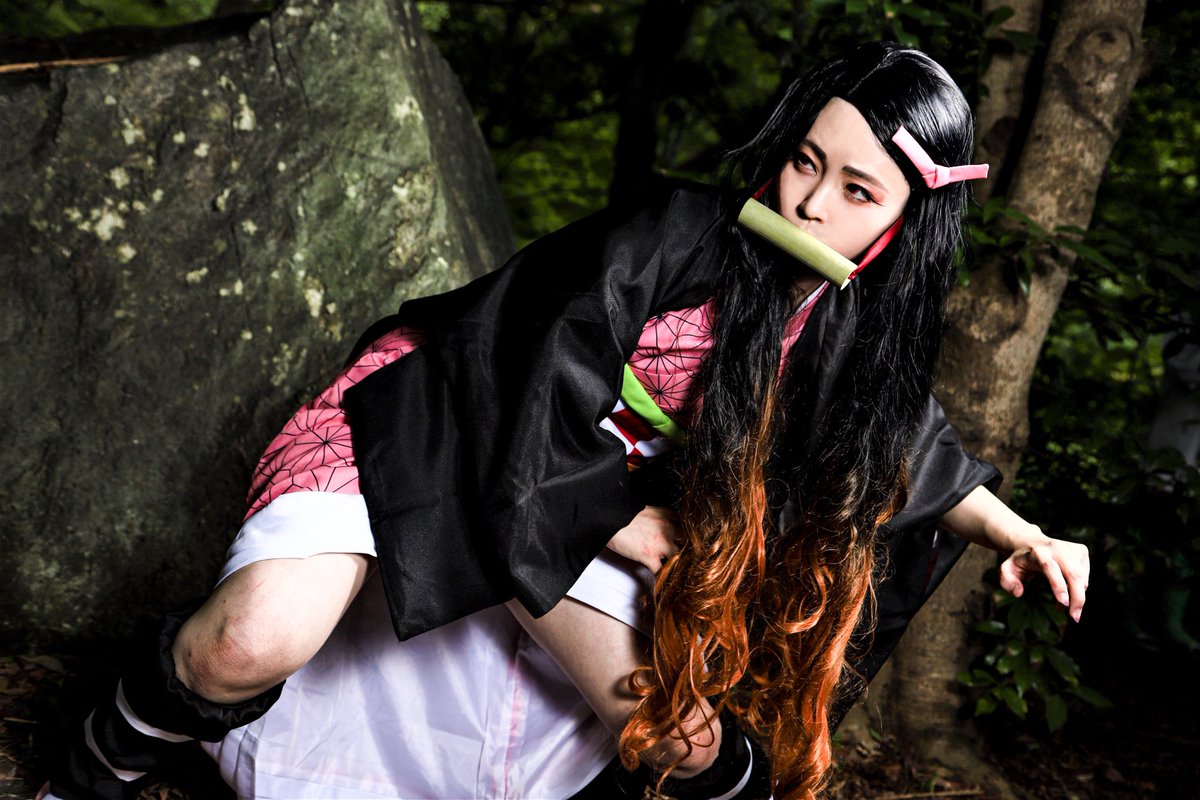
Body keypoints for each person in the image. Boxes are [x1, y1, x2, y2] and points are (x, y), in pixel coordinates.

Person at [42, 41, 1089, 800]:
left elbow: (912, 450)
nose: (810, 202)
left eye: (858, 190)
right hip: (438, 422)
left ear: (908, 224)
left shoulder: (853, 337)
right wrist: (632, 526)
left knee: (682, 736)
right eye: (805, 160)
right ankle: (94, 762)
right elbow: (527, 374)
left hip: (559, 497)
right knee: (248, 641)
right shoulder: (677, 230)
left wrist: (1024, 535)